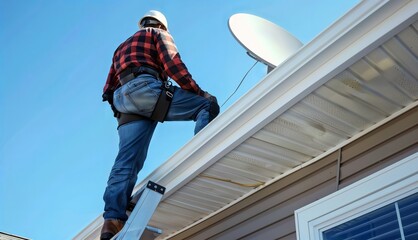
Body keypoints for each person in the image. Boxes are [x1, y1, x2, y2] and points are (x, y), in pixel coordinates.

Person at [100, 10, 219, 240]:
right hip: (145, 89)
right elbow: (173, 66)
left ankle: (112, 218)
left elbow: (107, 89)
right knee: (206, 107)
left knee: (127, 159)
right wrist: (200, 92)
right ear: (162, 26)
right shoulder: (157, 34)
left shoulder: (121, 47)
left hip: (123, 101)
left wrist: (121, 112)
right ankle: (204, 153)